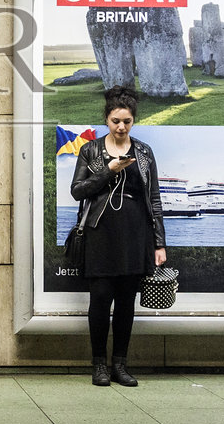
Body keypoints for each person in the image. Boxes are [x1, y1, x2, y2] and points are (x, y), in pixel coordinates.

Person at [68, 85, 167, 388]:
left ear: (133, 121)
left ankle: (120, 365)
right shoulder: (91, 150)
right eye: (115, 121)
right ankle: (99, 364)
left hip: (136, 233)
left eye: (127, 121)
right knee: (100, 300)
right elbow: (77, 191)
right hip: (100, 233)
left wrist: (159, 243)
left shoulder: (144, 151)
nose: (121, 127)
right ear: (106, 120)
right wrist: (109, 170)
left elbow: (155, 198)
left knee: (126, 302)